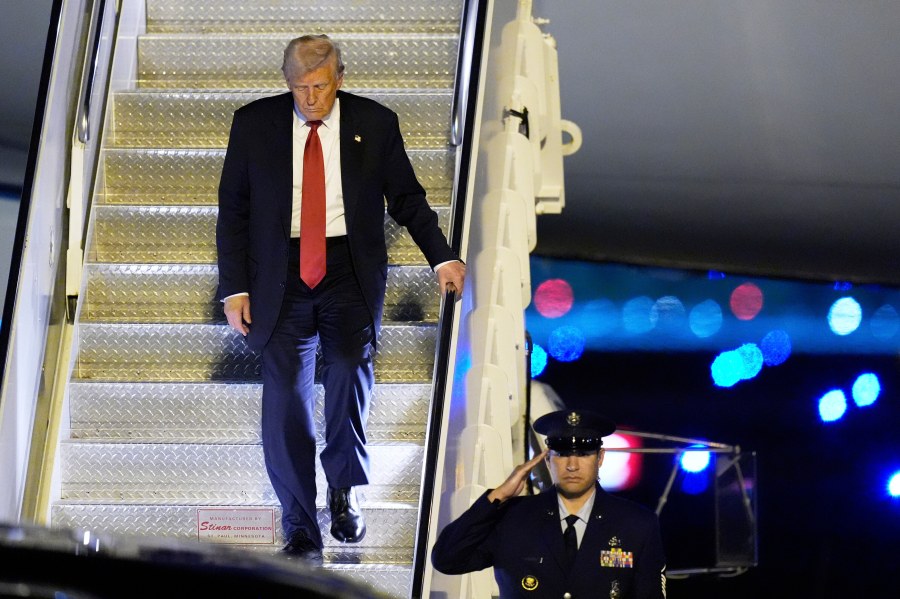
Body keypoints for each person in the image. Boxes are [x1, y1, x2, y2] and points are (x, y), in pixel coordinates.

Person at [216, 34, 466, 565]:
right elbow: (233, 209)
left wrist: (442, 256)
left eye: (321, 87)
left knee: (350, 371)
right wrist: (235, 288)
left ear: (341, 79)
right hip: (278, 275)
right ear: (287, 84)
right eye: (300, 88)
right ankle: (301, 526)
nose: (310, 98)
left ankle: (344, 489)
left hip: (347, 270)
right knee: (285, 395)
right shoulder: (254, 124)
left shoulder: (374, 124)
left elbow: (406, 198)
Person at [431, 409, 667, 598]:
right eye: (562, 454)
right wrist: (497, 496)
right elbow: (447, 559)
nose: (572, 465)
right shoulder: (513, 518)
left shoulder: (637, 524)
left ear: (600, 457)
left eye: (584, 454)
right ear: (548, 459)